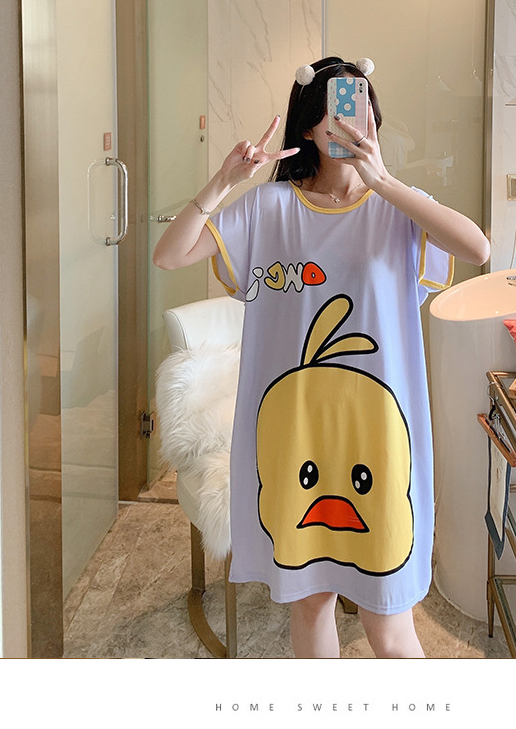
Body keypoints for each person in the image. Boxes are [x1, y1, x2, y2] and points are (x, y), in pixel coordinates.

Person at [154, 56, 490, 658]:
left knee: (389, 619)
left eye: (364, 107)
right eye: (340, 108)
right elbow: (169, 255)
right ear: (310, 125)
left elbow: (477, 248)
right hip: (297, 434)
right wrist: (225, 181)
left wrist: (385, 182)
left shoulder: (398, 207)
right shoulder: (270, 208)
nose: (355, 121)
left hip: (377, 435)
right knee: (311, 603)